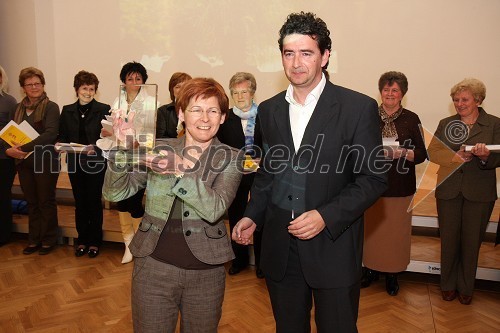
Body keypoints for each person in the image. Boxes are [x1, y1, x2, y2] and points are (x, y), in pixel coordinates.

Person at [233, 12, 387, 333]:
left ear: (325, 56)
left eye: (307, 53)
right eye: (289, 53)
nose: (297, 62)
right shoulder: (270, 109)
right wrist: (252, 215)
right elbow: (267, 175)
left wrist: (325, 216)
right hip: (280, 248)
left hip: (333, 245)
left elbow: (373, 179)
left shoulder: (357, 108)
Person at [103, 77, 243, 332]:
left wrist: (179, 170)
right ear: (181, 113)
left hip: (206, 273)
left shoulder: (231, 158)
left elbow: (215, 208)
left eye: (213, 111)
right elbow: (115, 192)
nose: (205, 118)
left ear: (223, 117)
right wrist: (122, 147)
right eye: (196, 110)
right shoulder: (159, 148)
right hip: (152, 268)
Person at [427, 78, 500, 305]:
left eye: (465, 99)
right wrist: (454, 157)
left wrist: (486, 156)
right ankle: (447, 285)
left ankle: (466, 287)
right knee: (448, 241)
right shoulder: (446, 122)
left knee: (471, 242)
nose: (460, 103)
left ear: (478, 100)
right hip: (448, 190)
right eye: (456, 99)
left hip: (479, 192)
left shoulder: (494, 124)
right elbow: (433, 151)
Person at [361, 71, 427, 295]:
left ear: (402, 94)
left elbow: (421, 154)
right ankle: (369, 270)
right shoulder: (367, 115)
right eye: (386, 89)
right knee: (371, 232)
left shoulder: (412, 118)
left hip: (400, 186)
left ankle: (392, 274)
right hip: (371, 184)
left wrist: (402, 153)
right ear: (381, 91)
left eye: (395, 90)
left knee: (395, 234)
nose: (390, 93)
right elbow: (355, 146)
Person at [104, 61, 156, 264]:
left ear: (143, 81)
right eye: (130, 78)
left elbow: (152, 133)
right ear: (123, 82)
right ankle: (128, 243)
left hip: (140, 157)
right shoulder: (117, 101)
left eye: (138, 78)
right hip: (119, 155)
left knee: (134, 201)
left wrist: (138, 140)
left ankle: (139, 244)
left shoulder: (152, 102)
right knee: (120, 201)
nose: (134, 82)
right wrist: (107, 131)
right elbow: (112, 127)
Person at [5, 67, 60, 255]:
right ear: (23, 88)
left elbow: (50, 134)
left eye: (37, 83)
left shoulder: (51, 106)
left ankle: (48, 239)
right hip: (23, 163)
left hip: (44, 160)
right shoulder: (17, 108)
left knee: (46, 201)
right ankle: (34, 239)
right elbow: (10, 133)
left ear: (43, 85)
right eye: (29, 84)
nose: (34, 87)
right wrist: (12, 149)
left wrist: (23, 148)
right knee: (31, 202)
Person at [59, 70, 110, 258]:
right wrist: (61, 145)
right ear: (76, 89)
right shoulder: (67, 110)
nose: (88, 92)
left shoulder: (104, 109)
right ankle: (82, 240)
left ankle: (95, 241)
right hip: (74, 163)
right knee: (80, 203)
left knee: (94, 202)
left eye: (91, 89)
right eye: (84, 88)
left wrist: (95, 147)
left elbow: (108, 139)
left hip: (95, 162)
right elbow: (62, 136)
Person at [217, 72, 263, 278]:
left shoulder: (265, 114)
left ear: (252, 92)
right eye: (235, 92)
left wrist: (264, 159)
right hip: (234, 176)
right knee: (236, 217)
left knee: (260, 218)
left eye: (244, 91)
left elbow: (274, 144)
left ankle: (262, 264)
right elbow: (218, 147)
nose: (240, 96)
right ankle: (239, 260)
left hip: (261, 176)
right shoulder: (225, 117)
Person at [0, 65, 17, 246]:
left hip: (4, 157)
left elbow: (13, 131)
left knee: (3, 197)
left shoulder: (9, 101)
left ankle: (4, 235)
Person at [156, 72, 192, 139]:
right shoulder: (163, 111)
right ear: (172, 90)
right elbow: (160, 139)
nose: (182, 90)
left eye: (185, 86)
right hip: (169, 149)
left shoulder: (197, 109)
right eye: (178, 87)